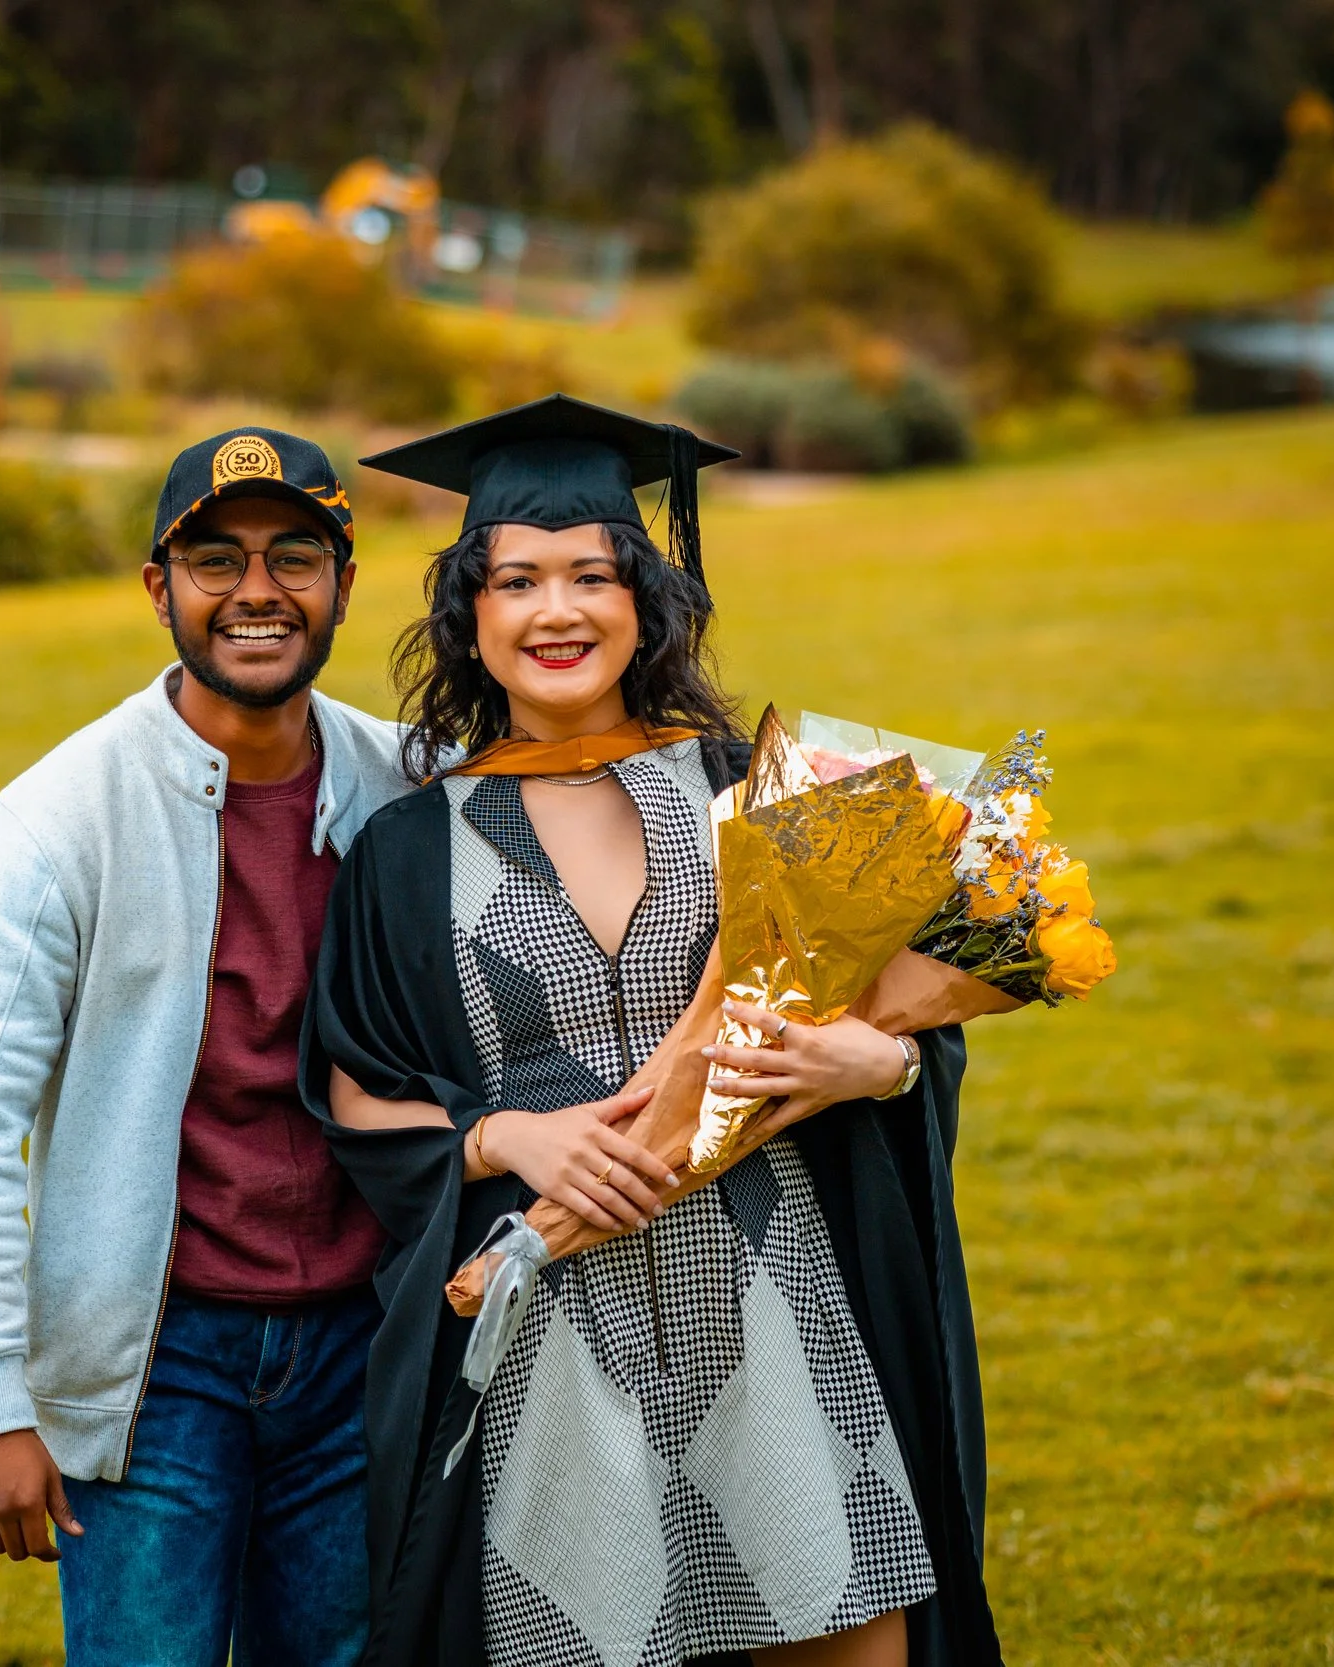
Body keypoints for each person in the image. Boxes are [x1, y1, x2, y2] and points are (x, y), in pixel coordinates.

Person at [300, 395, 1006, 1667]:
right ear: (470, 613)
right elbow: (357, 1086)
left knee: (842, 1632)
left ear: (647, 600)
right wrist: (506, 1135)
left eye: (593, 573)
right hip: (554, 1338)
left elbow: (909, 1012)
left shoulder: (762, 794)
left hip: (781, 1302)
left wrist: (882, 1060)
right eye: (516, 580)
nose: (556, 611)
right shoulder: (406, 850)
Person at [0, 427, 411, 1667]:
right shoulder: (61, 814)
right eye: (213, 558)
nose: (255, 591)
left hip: (363, 1350)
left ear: (344, 581)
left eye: (295, 555)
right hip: (153, 1360)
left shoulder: (403, 786)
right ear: (157, 586)